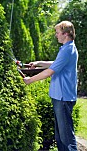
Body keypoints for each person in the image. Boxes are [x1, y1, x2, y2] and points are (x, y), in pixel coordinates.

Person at [23, 21, 78, 151]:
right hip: (59, 96)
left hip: (63, 97)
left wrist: (30, 80)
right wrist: (38, 63)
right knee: (60, 137)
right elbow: (55, 63)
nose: (56, 35)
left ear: (66, 34)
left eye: (57, 32)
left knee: (66, 138)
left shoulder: (67, 50)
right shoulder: (66, 48)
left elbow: (50, 72)